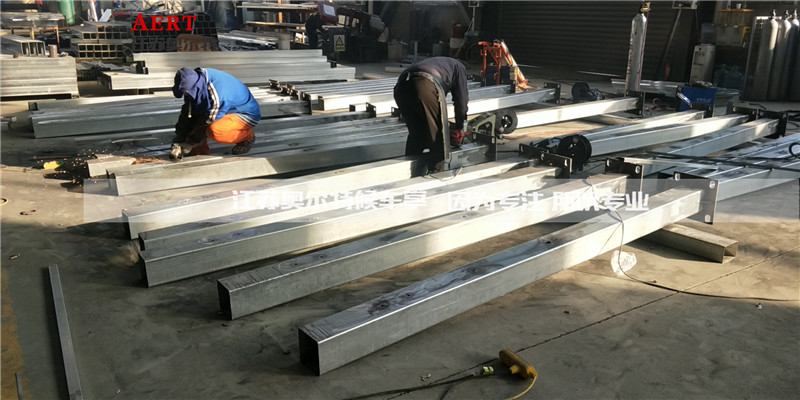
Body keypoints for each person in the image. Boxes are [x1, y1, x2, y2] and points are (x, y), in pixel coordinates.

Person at [393, 57, 469, 173]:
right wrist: (459, 127)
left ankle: (410, 171)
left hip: (401, 87)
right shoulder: (460, 68)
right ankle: (436, 173)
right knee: (438, 135)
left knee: (416, 134)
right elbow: (461, 101)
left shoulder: (441, 62)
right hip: (424, 85)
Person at [170, 67, 261, 159]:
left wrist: (190, 143)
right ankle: (199, 155)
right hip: (223, 109)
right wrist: (179, 138)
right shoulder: (195, 82)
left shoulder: (217, 94)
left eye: (186, 93)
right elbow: (188, 113)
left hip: (245, 113)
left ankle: (247, 137)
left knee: (214, 130)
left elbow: (208, 122)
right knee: (195, 123)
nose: (186, 95)